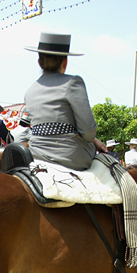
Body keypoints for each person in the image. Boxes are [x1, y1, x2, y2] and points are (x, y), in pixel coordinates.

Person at [23, 32, 106, 171]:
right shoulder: (73, 82)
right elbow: (89, 131)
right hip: (72, 157)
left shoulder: (30, 91)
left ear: (39, 62)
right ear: (65, 62)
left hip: (36, 155)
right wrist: (94, 139)